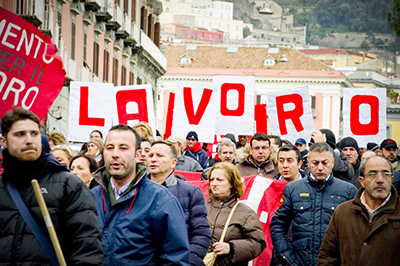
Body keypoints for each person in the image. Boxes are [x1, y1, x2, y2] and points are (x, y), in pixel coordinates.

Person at [0, 107, 103, 265]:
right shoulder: (2, 187)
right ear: (4, 141)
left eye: (34, 133)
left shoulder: (69, 186)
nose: (29, 140)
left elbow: (87, 249)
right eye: (20, 134)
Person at [91, 124, 190, 265]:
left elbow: (175, 258)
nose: (115, 154)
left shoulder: (160, 200)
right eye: (110, 148)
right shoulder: (90, 197)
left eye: (123, 148)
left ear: (137, 155)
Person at [270, 142, 357, 266]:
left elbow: (355, 231)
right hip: (299, 261)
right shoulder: (293, 189)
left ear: (332, 163)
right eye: (315, 163)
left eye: (324, 163)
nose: (320, 167)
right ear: (308, 163)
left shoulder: (348, 191)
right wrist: (287, 256)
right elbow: (278, 225)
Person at [318, 156, 400, 266]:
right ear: (362, 181)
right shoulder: (343, 212)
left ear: (391, 179)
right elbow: (327, 257)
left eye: (385, 174)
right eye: (372, 174)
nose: (380, 180)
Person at [147, 141, 211, 266]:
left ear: (173, 163)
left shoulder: (190, 193)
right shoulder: (136, 191)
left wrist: (187, 262)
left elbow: (201, 234)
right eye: (150, 155)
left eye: (159, 156)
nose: (153, 159)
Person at [206, 162, 266, 265]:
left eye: (219, 180)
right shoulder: (199, 206)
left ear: (231, 183)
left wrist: (231, 248)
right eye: (212, 179)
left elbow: (258, 243)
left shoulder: (246, 213)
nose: (214, 183)